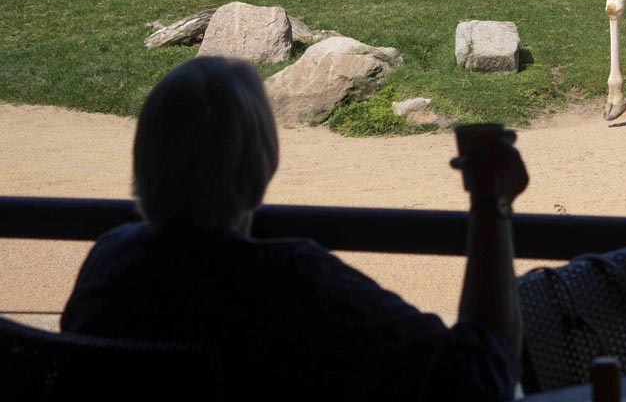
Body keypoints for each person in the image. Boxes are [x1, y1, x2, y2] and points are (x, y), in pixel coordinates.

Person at [61, 56, 528, 401]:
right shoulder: (291, 282)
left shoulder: (109, 261)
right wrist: (491, 201)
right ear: (266, 162)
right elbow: (481, 378)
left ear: (143, 161)